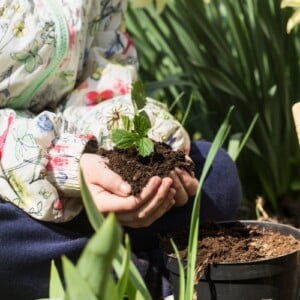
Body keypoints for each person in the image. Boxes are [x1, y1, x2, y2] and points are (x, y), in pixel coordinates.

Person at [0, 0, 242, 299]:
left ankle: (93, 268)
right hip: (18, 187)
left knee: (216, 173)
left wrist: (142, 152)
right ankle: (144, 274)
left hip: (72, 184)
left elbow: (102, 84)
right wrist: (62, 164)